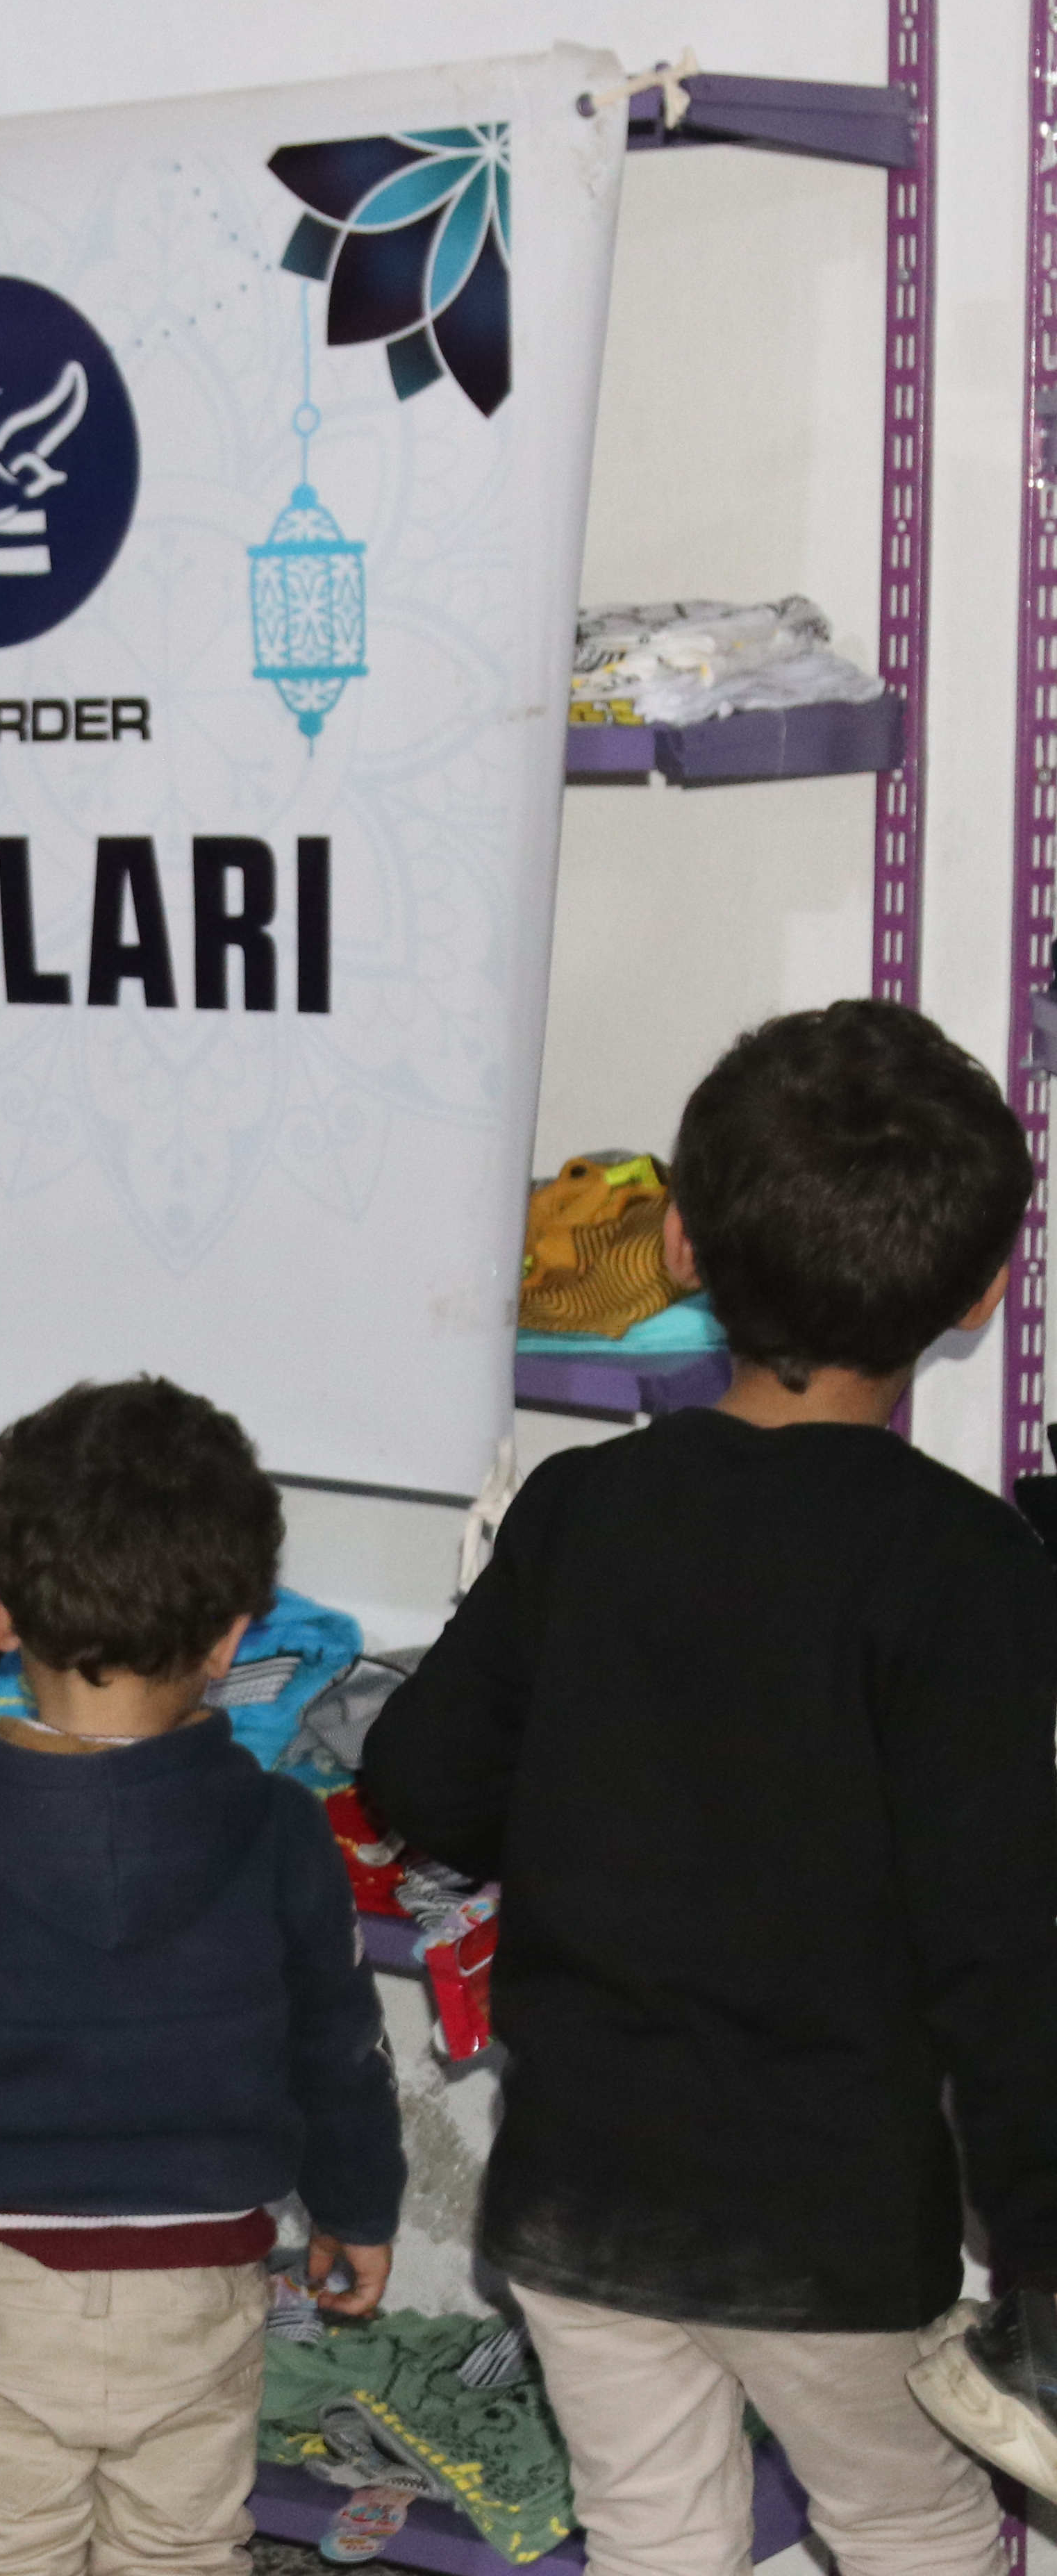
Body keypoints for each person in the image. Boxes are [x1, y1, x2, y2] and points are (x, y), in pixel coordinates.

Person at [367, 999, 1057, 2576]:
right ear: (979, 1291)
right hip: (831, 2226)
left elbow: (421, 1777)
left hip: (579, 2194)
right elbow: (1000, 1952)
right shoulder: (970, 1565)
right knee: (912, 2524)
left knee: (654, 2531)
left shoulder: (581, 1505)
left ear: (678, 1242)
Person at [0, 1377, 399, 2576]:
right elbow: (340, 2050)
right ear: (232, 1637)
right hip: (202, 2291)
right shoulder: (285, 1831)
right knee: (183, 2551)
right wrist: (359, 2208)